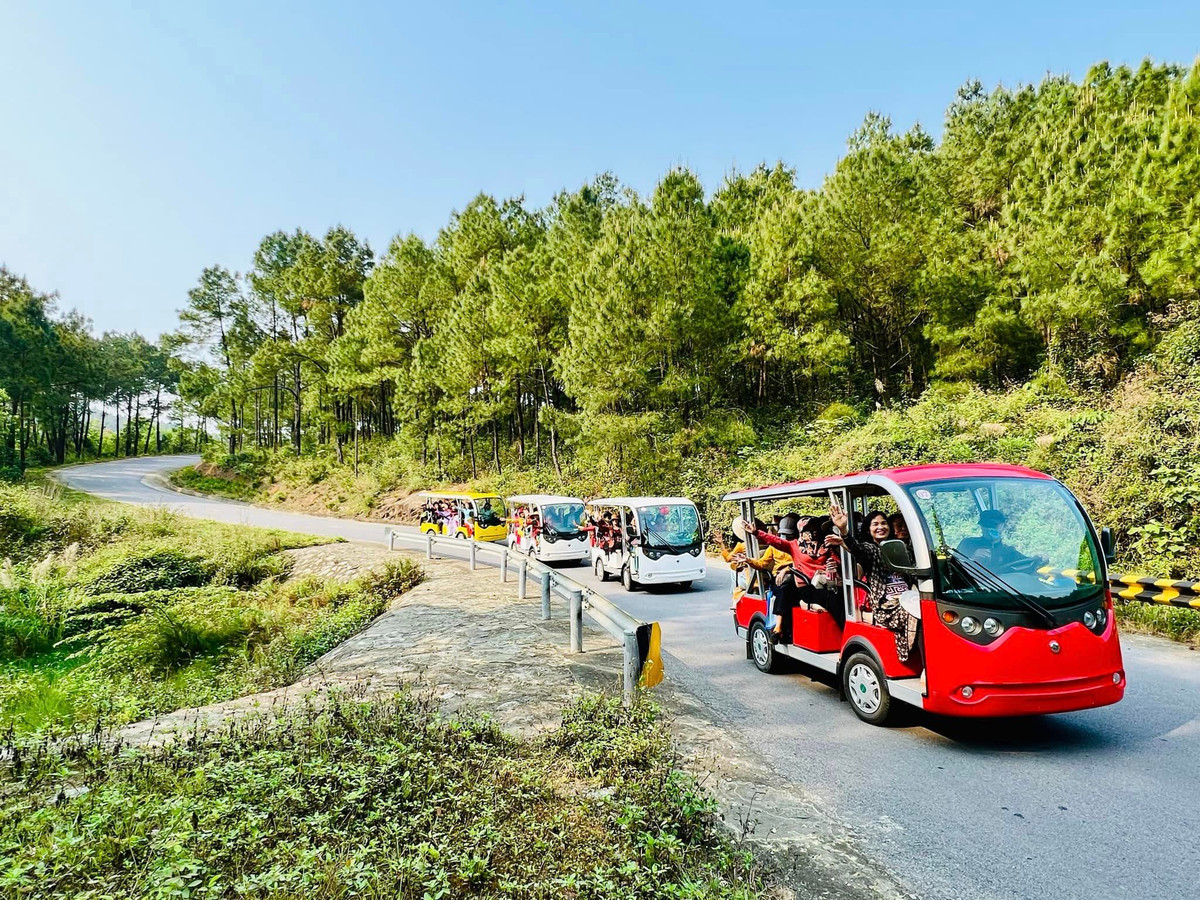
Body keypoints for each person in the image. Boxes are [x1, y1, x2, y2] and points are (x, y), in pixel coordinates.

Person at [829, 504, 917, 663]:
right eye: (875, 524)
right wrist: (843, 530)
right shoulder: (870, 549)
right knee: (915, 614)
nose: (881, 527)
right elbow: (857, 549)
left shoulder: (900, 548)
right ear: (868, 529)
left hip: (909, 598)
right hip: (886, 606)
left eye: (883, 523)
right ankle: (926, 668)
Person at [739, 513, 844, 640]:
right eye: (809, 530)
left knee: (841, 596)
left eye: (815, 529)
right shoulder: (794, 545)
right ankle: (844, 635)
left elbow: (837, 561)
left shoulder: (827, 544)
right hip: (806, 586)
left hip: (827, 583)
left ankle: (841, 634)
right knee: (831, 599)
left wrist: (833, 563)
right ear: (801, 531)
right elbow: (775, 541)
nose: (813, 532)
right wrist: (756, 532)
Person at [956, 509, 1045, 572]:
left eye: (993, 525)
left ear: (1002, 526)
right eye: (985, 524)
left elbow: (1030, 564)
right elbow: (952, 571)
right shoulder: (967, 544)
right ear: (981, 526)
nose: (988, 528)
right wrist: (972, 559)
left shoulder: (1010, 552)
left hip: (1004, 594)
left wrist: (1041, 559)